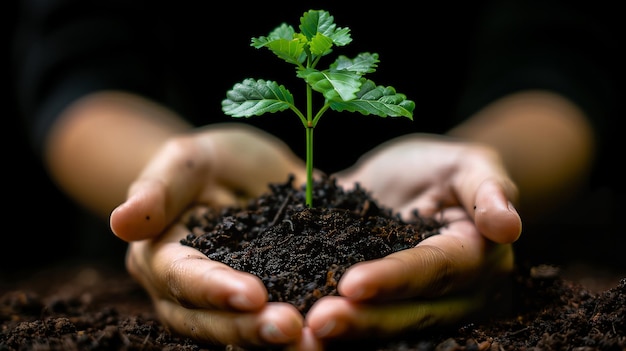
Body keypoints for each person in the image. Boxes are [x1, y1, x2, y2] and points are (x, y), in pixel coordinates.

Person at [10, 0, 621, 350]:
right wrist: (166, 176)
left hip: (509, 227)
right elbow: (79, 66)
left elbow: (561, 56)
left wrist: (482, 170)